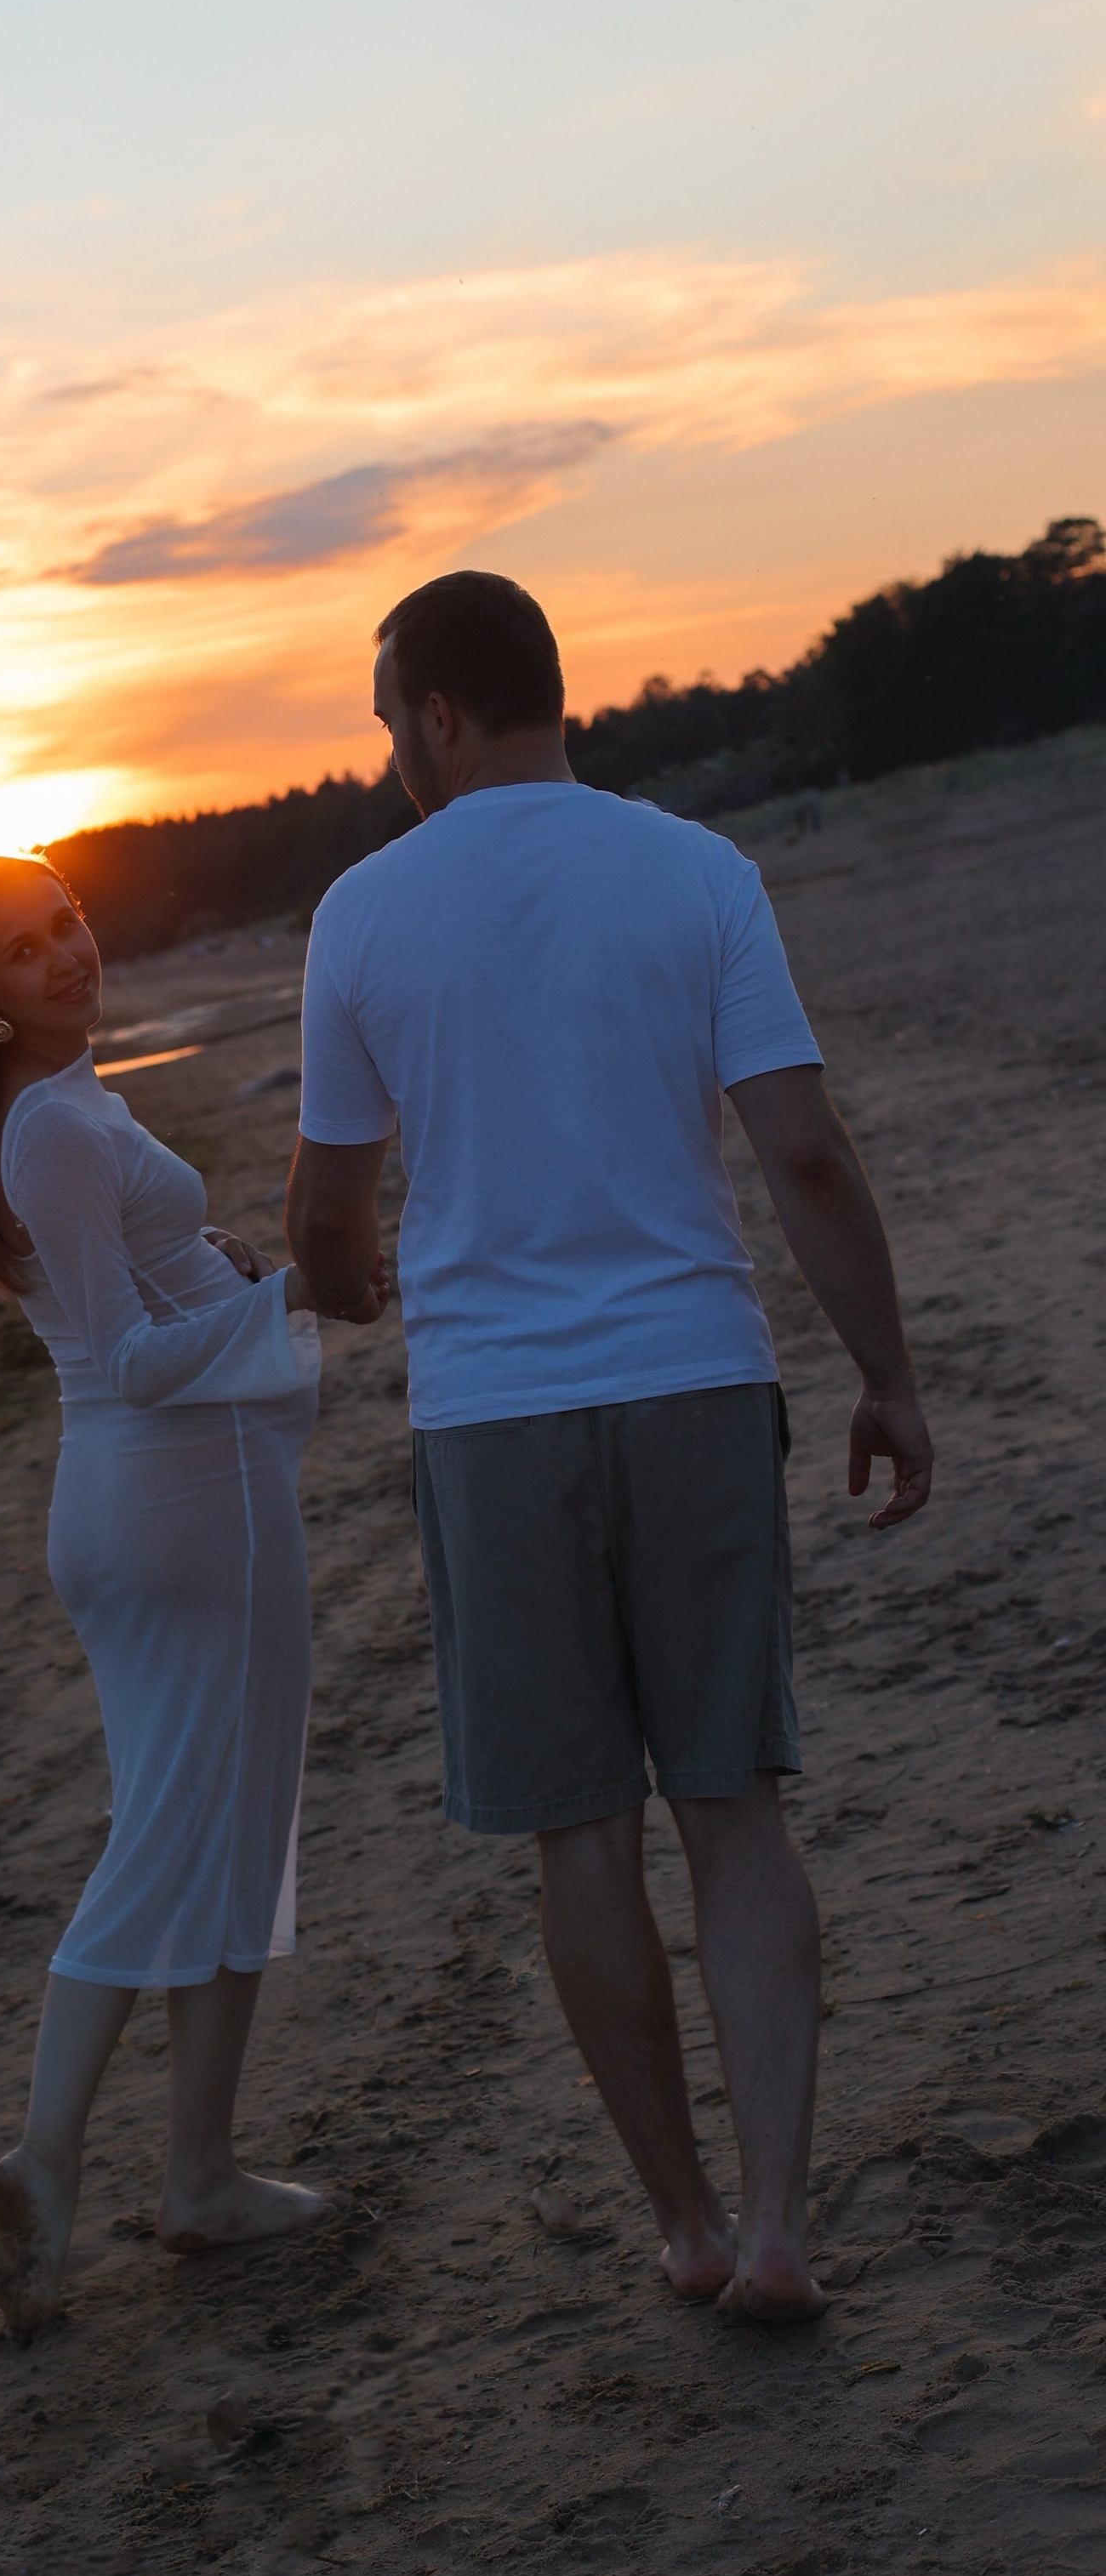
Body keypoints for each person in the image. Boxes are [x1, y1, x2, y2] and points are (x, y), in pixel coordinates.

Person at [284, 572, 933, 2323]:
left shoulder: (359, 916)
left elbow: (330, 1226)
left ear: (427, 712)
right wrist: (883, 1372)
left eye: (380, 719)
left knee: (581, 1838)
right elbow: (800, 1152)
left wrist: (346, 1291)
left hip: (494, 1420)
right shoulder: (692, 871)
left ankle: (686, 2228)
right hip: (694, 1382)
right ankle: (785, 2226)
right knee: (733, 1811)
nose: (383, 752)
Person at [0, 853, 373, 2339]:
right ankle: (91, 2162)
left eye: (68, 924)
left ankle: (185, 2170)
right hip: (182, 1504)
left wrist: (222, 1274)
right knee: (204, 1830)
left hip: (136, 1508)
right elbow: (126, 1359)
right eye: (24, 950)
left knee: (184, 1820)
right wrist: (286, 1293)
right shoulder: (53, 1127)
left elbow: (126, 1306)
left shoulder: (67, 1114)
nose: (65, 955)